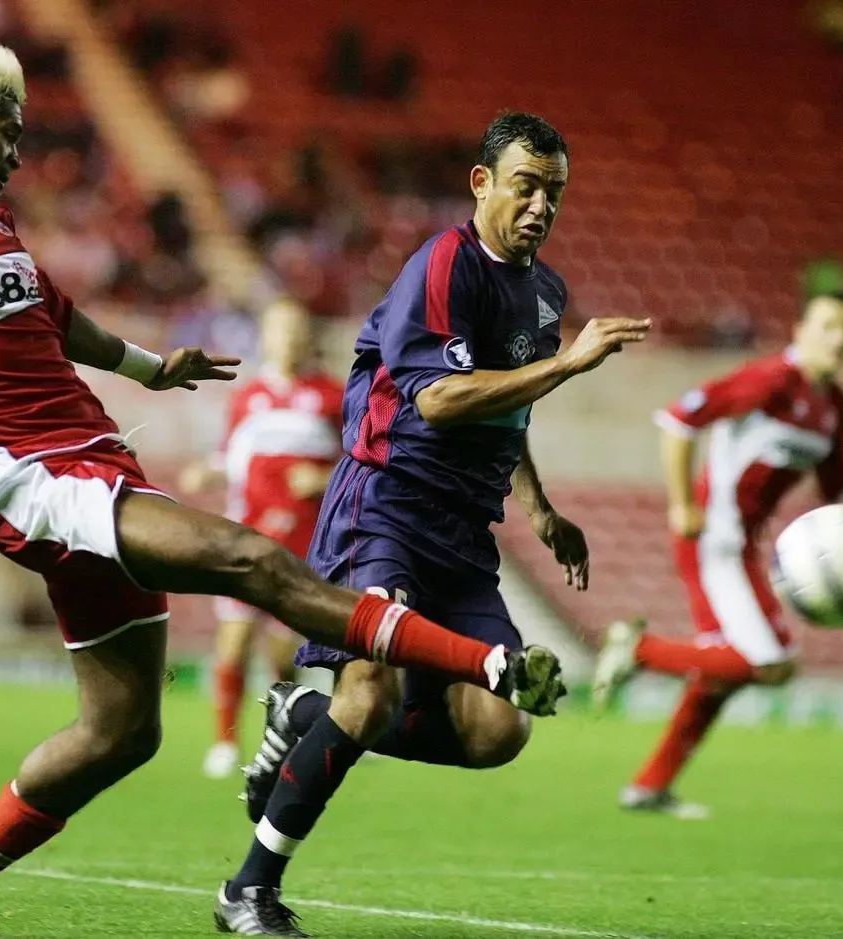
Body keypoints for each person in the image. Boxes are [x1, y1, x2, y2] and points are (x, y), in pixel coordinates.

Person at [0, 40, 570, 934]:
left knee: (122, 731)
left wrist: (151, 366)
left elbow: (55, 315)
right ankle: (479, 663)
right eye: (7, 133)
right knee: (251, 559)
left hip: (95, 466)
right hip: (30, 483)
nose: (16, 154)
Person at [214, 111, 653, 936]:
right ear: (483, 182)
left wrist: (541, 509)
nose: (540, 206)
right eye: (526, 185)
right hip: (383, 504)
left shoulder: (545, 292)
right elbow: (441, 398)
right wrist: (565, 365)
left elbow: (504, 415)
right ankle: (250, 889)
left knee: (498, 728)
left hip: (462, 532)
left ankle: (307, 721)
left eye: (554, 192)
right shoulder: (443, 264)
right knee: (371, 683)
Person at [592, 292, 843, 819]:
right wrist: (682, 504)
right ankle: (640, 650)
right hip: (712, 538)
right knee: (772, 661)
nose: (840, 338)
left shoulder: (833, 403)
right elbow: (680, 419)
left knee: (724, 672)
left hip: (743, 545)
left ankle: (650, 786)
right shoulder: (771, 380)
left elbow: (841, 482)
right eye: (830, 326)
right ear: (799, 331)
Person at [179, 298, 343, 779]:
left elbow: (363, 464)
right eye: (278, 330)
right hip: (247, 536)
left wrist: (323, 478)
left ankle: (289, 733)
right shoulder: (248, 395)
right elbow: (229, 455)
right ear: (266, 338)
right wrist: (204, 473)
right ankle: (225, 742)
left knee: (281, 654)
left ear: (308, 336)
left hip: (304, 543)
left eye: (295, 330)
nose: (287, 339)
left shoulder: (333, 396)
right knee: (232, 642)